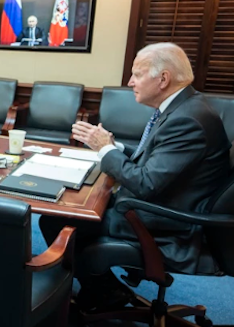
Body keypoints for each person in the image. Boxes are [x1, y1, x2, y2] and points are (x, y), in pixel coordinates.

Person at [40, 42, 231, 312]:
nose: (130, 82)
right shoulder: (186, 107)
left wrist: (105, 150)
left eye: (137, 74)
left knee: (59, 219)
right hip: (166, 207)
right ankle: (103, 289)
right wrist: (113, 147)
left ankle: (101, 291)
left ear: (163, 79)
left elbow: (146, 182)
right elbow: (156, 161)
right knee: (65, 213)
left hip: (168, 225)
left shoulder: (187, 120)